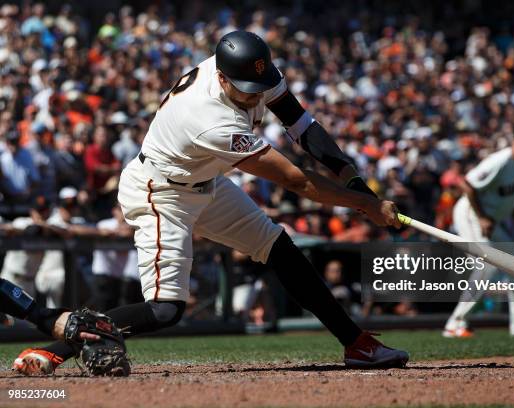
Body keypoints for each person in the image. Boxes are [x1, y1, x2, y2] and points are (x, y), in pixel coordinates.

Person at [13, 31, 408, 375]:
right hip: (162, 191)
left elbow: (303, 127)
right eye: (248, 89)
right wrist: (363, 204)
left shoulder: (249, 70)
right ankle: (53, 348)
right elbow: (295, 180)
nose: (257, 95)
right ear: (221, 77)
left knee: (277, 247)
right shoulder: (210, 118)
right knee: (166, 310)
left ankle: (357, 344)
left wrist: (357, 184)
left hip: (206, 180)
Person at [443, 124, 514, 338]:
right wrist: (482, 217)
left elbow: (512, 201)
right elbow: (467, 184)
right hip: (471, 214)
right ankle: (455, 323)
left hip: (491, 220)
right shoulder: (501, 160)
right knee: (486, 265)